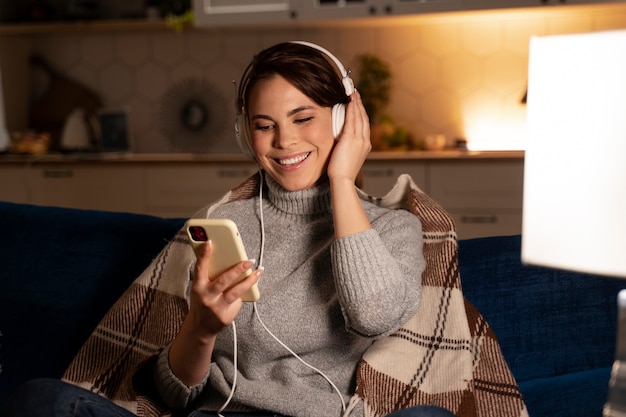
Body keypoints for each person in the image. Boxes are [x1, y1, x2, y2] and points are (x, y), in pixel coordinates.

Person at [0, 41, 454, 417]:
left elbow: (373, 314)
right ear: (246, 135)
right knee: (43, 398)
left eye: (303, 118)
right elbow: (172, 395)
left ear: (343, 121)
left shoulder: (393, 228)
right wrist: (200, 328)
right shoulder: (224, 224)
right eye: (264, 125)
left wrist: (340, 179)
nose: (284, 141)